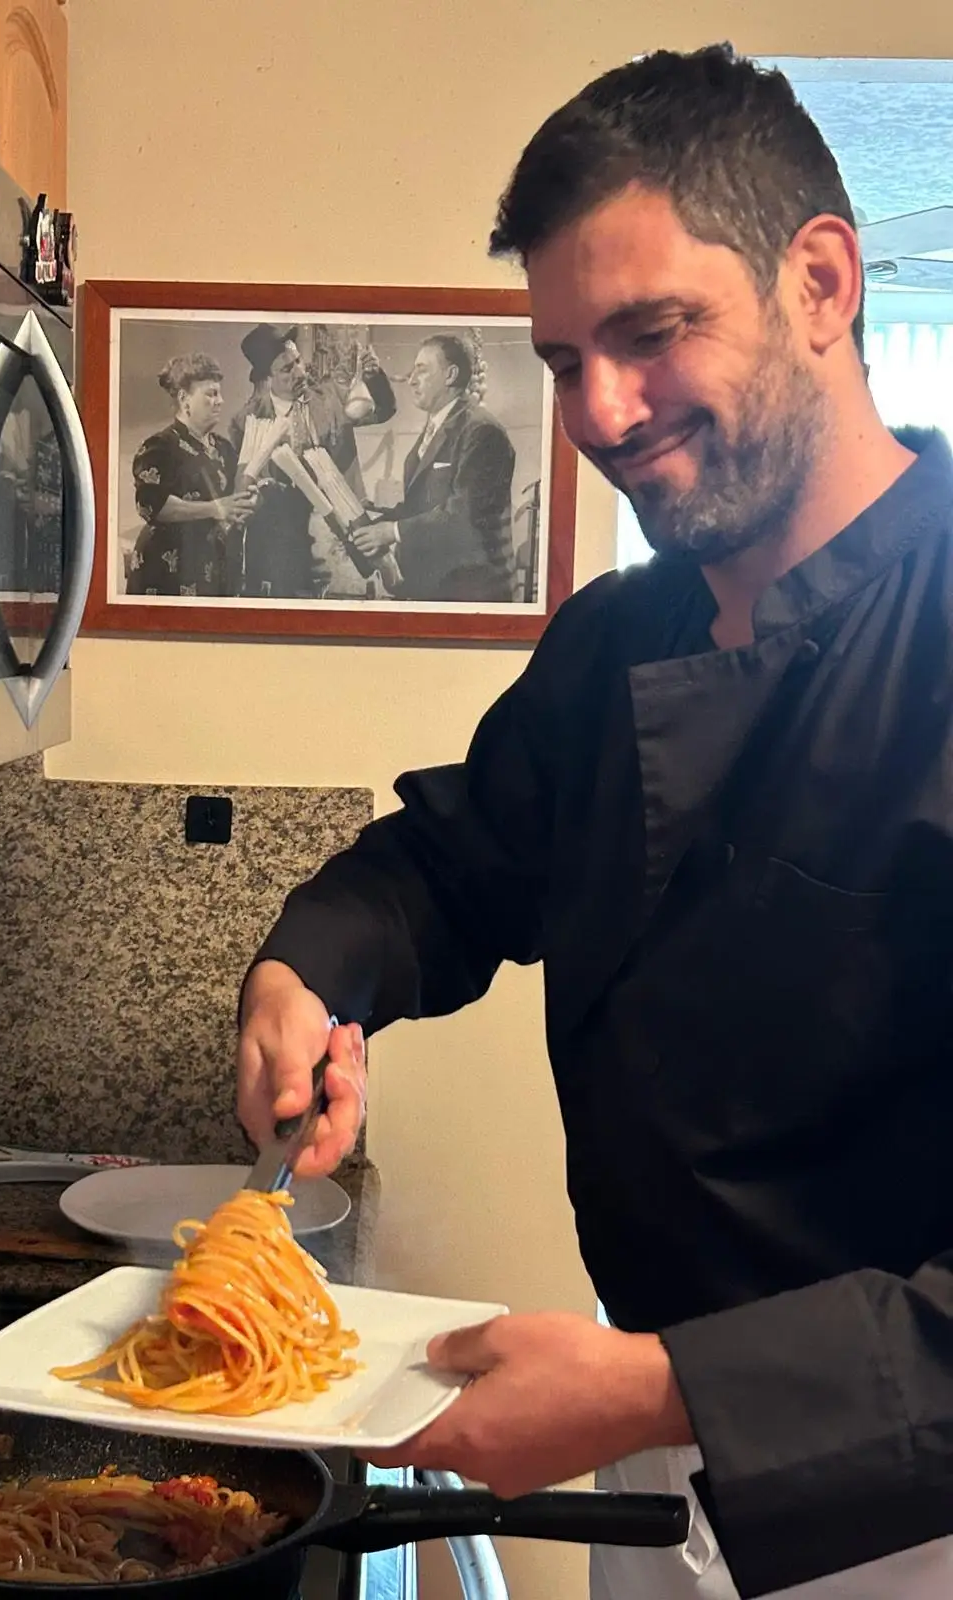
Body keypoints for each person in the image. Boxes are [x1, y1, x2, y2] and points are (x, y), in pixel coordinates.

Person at [235, 43, 953, 1600]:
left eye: (652, 332)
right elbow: (449, 866)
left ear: (822, 283)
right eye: (564, 359)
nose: (605, 412)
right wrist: (306, 974)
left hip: (907, 1491)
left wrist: (673, 1390)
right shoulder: (617, 640)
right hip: (648, 1442)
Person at [229, 324, 396, 597]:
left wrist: (374, 376)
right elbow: (243, 491)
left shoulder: (330, 398)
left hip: (345, 530)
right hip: (282, 547)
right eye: (286, 369)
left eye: (298, 362)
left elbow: (384, 411)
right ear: (267, 379)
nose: (299, 373)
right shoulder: (246, 422)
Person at [351, 334, 516, 601]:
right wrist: (376, 523)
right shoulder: (437, 426)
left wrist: (391, 531)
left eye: (422, 370)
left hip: (471, 596)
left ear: (450, 375)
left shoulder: (481, 431)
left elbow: (463, 516)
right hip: (437, 587)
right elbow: (423, 506)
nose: (412, 380)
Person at [127, 354, 255, 597]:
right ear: (184, 399)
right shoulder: (159, 446)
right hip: (168, 569)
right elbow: (151, 506)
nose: (220, 401)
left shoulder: (223, 448)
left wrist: (247, 500)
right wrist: (214, 509)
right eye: (211, 394)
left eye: (219, 393)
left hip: (214, 565)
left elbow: (231, 501)